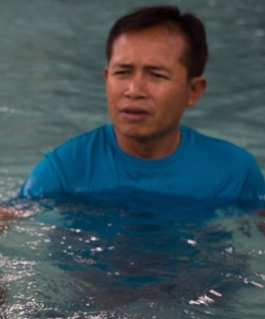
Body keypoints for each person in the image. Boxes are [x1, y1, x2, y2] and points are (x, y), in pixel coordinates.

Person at [19, 5, 265, 205]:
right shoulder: (66, 169)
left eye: (156, 75)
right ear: (106, 79)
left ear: (193, 91)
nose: (134, 90)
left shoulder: (233, 173)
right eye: (123, 72)